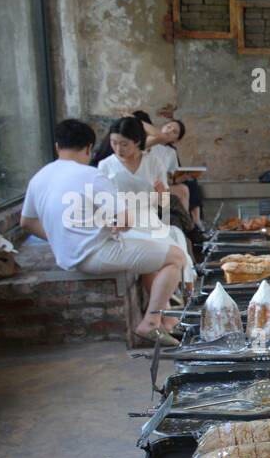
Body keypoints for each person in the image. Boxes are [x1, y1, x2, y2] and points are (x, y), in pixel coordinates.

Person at [20, 119, 186, 346]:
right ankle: (151, 321)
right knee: (177, 257)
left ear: (57, 147)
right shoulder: (92, 175)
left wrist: (61, 238)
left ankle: (167, 319)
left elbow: (27, 223)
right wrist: (115, 225)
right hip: (96, 252)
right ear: (89, 147)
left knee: (155, 253)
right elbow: (125, 221)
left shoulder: (38, 178)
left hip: (67, 256)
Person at [93, 116, 198, 288]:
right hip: (123, 223)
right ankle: (164, 302)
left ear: (137, 142)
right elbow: (102, 204)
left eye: (124, 144)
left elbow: (163, 203)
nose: (118, 149)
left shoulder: (153, 163)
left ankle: (182, 294)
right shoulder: (106, 165)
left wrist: (161, 194)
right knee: (158, 249)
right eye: (114, 143)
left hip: (149, 218)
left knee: (176, 244)